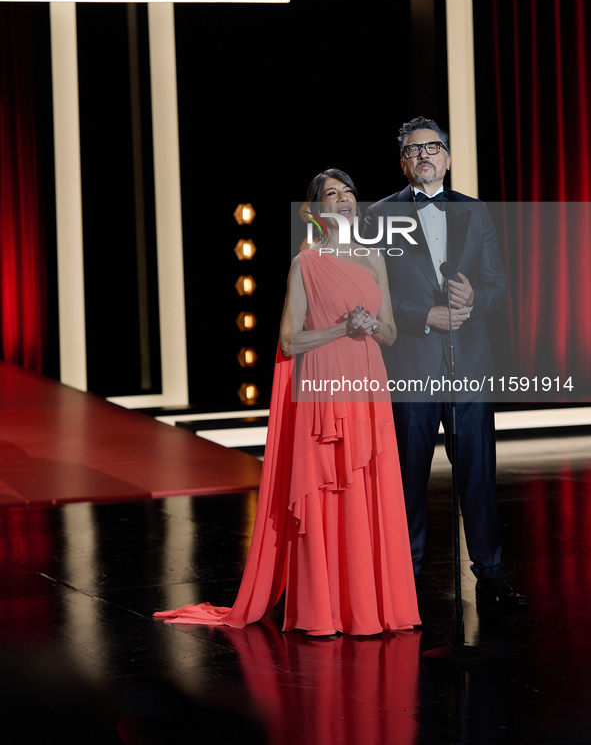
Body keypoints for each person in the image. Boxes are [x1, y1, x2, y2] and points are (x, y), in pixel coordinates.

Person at [154, 169, 420, 635]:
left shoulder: (376, 258)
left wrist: (371, 326)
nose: (341, 200)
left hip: (368, 386)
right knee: (326, 490)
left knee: (366, 487)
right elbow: (288, 341)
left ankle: (372, 606)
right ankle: (326, 609)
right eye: (330, 195)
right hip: (324, 387)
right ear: (316, 211)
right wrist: (343, 327)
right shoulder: (306, 263)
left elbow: (392, 333)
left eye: (347, 192)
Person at [363, 117, 527, 610]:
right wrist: (423, 316)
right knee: (408, 478)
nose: (424, 156)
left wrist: (475, 299)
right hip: (411, 362)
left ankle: (491, 575)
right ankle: (404, 579)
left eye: (433, 147)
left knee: (478, 475)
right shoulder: (378, 215)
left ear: (448, 158)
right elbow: (372, 294)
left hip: (470, 363)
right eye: (414, 151)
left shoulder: (475, 213)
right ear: (403, 163)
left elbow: (499, 285)